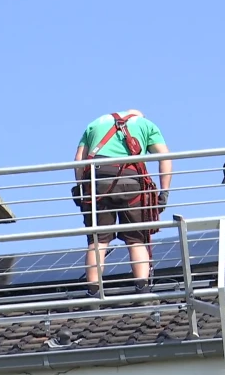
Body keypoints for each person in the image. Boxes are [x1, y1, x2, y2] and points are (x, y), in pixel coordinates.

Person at [72, 110, 172, 300]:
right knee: (136, 239)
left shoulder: (95, 123)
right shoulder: (146, 124)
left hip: (98, 182)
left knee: (98, 240)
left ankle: (93, 292)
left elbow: (79, 160)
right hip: (132, 182)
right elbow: (164, 157)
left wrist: (80, 187)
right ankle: (142, 289)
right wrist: (164, 191)